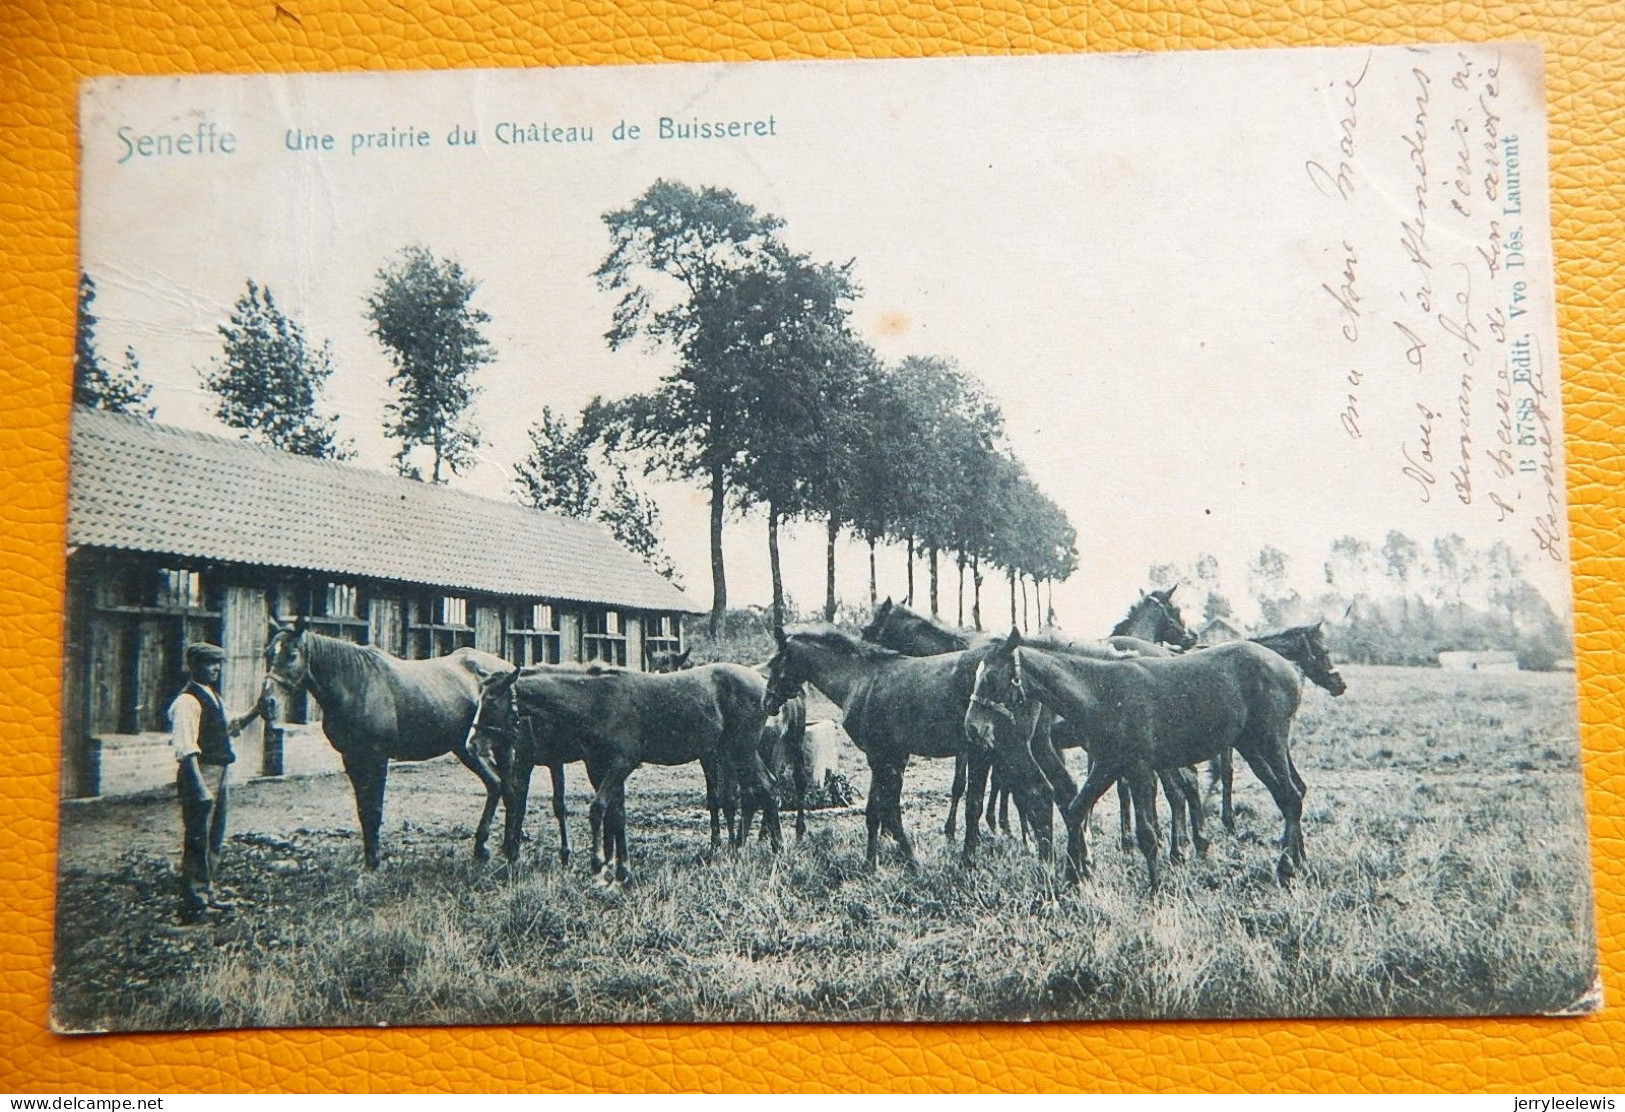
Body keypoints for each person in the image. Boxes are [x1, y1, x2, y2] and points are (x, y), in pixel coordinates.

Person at [169, 642, 261, 925]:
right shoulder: (187, 701)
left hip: (219, 771)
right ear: (194, 665)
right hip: (200, 772)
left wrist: (258, 709)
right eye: (210, 663)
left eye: (219, 664)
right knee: (198, 835)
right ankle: (193, 902)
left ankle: (207, 892)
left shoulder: (213, 697)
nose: (216, 669)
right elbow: (186, 749)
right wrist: (198, 786)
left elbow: (233, 723)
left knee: (214, 835)